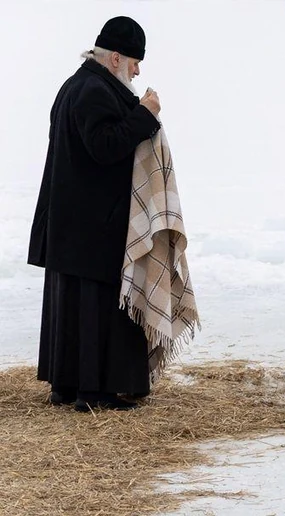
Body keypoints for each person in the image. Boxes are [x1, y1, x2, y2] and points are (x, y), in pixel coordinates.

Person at [27, 16, 162, 411]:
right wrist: (146, 113)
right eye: (135, 61)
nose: (138, 70)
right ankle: (94, 392)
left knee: (72, 306)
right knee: (96, 307)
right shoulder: (93, 90)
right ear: (116, 58)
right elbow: (105, 146)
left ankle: (66, 387)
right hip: (90, 225)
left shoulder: (80, 84)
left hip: (73, 222)